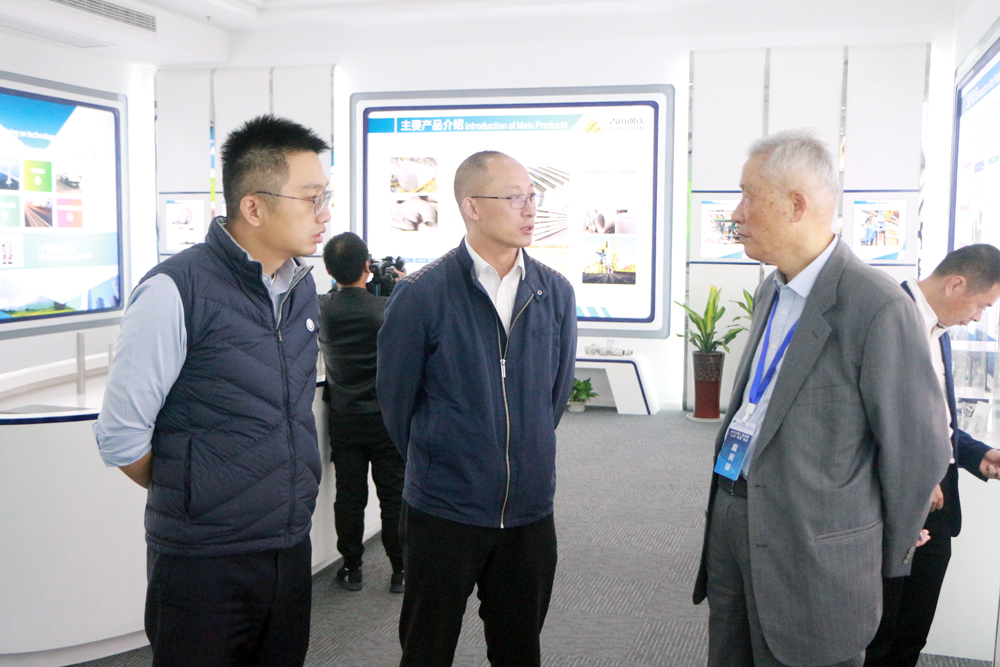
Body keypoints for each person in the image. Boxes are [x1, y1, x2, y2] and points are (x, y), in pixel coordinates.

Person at [692, 128, 951, 667]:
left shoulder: (876, 306)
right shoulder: (772, 288)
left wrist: (874, 554)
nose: (736, 214)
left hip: (817, 553)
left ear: (796, 205)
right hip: (735, 518)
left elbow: (917, 449)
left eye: (747, 196)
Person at [93, 114, 331, 667]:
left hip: (287, 544)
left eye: (326, 197)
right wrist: (195, 489)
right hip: (203, 560)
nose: (324, 214)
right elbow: (121, 436)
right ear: (253, 207)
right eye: (310, 198)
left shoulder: (301, 288)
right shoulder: (175, 289)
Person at [377, 150, 578, 667]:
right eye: (515, 198)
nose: (530, 209)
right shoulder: (422, 294)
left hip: (529, 511)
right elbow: (396, 404)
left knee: (519, 650)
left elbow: (554, 399)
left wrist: (525, 451)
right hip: (445, 509)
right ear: (471, 206)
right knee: (427, 649)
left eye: (532, 196)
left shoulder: (554, 292)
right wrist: (446, 459)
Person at [865, 244, 1000, 667]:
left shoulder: (938, 331)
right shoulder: (885, 317)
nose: (978, 317)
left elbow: (932, 419)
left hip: (938, 506)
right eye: (981, 305)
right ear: (956, 285)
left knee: (912, 629)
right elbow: (866, 423)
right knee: (877, 635)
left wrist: (977, 455)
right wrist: (917, 479)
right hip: (890, 505)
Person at [318, 231, 406, 594]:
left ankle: (352, 568)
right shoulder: (386, 309)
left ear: (328, 270)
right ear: (367, 267)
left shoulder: (321, 309)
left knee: (349, 497)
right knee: (393, 496)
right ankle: (400, 570)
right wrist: (400, 285)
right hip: (385, 420)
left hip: (344, 419)